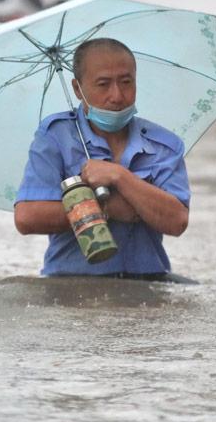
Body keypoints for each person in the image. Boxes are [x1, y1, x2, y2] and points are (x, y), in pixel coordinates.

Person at [14, 38, 190, 278]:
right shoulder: (56, 137)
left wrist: (120, 176)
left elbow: (177, 221)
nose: (117, 96)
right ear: (78, 89)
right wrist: (108, 208)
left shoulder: (164, 145)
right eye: (103, 84)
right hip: (71, 284)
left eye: (126, 82)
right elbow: (27, 217)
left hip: (148, 283)